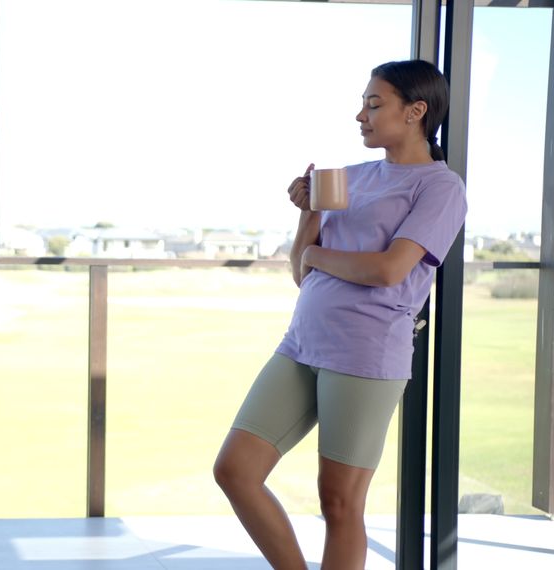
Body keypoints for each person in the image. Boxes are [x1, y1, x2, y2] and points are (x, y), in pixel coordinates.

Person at [212, 59, 467, 570]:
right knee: (235, 470)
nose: (360, 115)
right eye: (362, 104)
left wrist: (316, 254)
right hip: (302, 344)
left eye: (374, 104)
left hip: (364, 355)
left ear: (415, 111)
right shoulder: (348, 178)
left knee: (339, 502)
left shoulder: (440, 188)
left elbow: (389, 269)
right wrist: (308, 214)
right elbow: (301, 272)